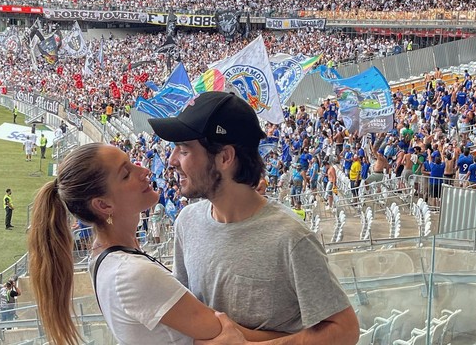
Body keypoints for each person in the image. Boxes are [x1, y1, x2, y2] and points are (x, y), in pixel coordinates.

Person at [148, 91, 359, 345]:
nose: (171, 160)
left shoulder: (291, 238)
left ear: (225, 157)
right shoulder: (186, 222)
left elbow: (345, 330)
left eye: (183, 150)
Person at [28, 142, 284, 345]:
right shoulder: (132, 273)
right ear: (103, 205)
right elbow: (234, 337)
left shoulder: (109, 259)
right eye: (126, 174)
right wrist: (303, 337)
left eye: (132, 162)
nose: (145, 171)